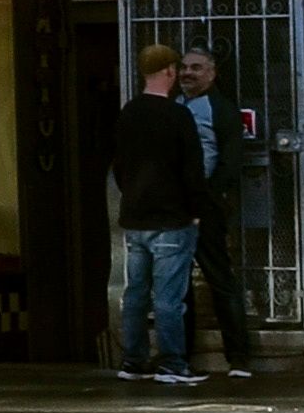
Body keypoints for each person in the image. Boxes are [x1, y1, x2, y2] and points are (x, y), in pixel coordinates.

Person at [107, 41, 209, 385]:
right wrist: (195, 211)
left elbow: (119, 167)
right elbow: (192, 169)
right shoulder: (178, 115)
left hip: (135, 218)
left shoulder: (128, 113)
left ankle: (133, 361)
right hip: (171, 219)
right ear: (168, 71)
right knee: (168, 298)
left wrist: (133, 196)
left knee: (136, 294)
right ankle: (172, 363)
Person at [174, 44, 262, 380]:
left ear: (212, 73)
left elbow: (230, 157)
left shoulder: (221, 109)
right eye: (184, 67)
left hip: (206, 207)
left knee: (219, 279)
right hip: (177, 207)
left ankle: (238, 358)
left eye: (196, 67)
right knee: (177, 283)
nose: (187, 73)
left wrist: (211, 197)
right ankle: (180, 357)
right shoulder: (175, 106)